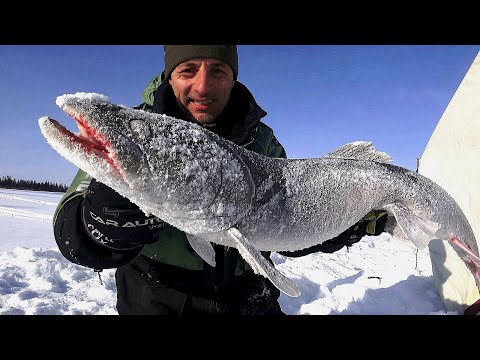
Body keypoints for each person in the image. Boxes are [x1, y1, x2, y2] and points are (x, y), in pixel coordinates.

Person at [52, 45, 388, 315]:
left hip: (250, 301)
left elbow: (287, 221)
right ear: (170, 76)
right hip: (156, 302)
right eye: (188, 70)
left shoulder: (264, 142)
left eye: (218, 70)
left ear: (233, 77)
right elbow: (71, 230)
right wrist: (100, 222)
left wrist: (341, 224)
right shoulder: (134, 135)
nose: (202, 86)